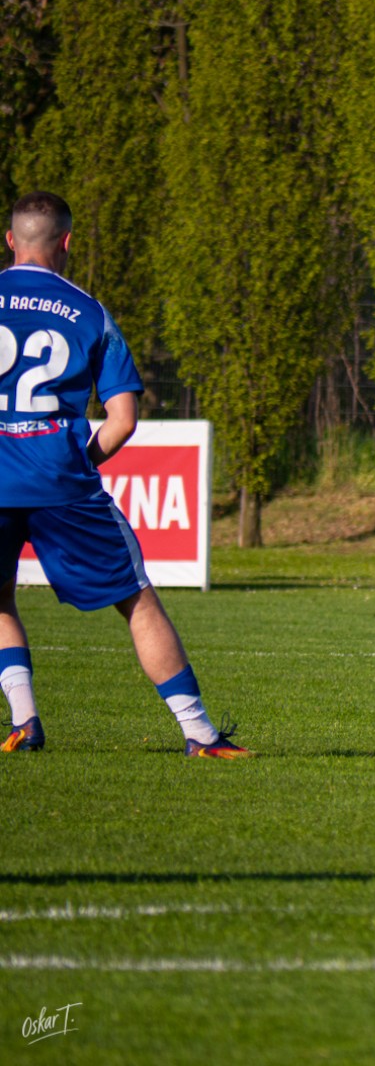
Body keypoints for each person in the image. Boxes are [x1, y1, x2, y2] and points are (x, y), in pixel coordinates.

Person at [0, 191, 249, 758]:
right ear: (66, 242)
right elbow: (122, 420)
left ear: (11, 240)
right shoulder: (88, 311)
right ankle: (200, 734)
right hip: (60, 475)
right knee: (136, 600)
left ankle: (24, 722)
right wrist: (74, 461)